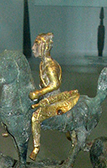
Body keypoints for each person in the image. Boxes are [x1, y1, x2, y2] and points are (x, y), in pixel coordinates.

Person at [29, 32, 79, 160]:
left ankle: (36, 148)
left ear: (44, 47)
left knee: (35, 118)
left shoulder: (50, 66)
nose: (33, 48)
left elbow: (55, 84)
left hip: (53, 99)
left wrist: (39, 93)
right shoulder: (43, 63)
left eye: (37, 44)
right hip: (45, 97)